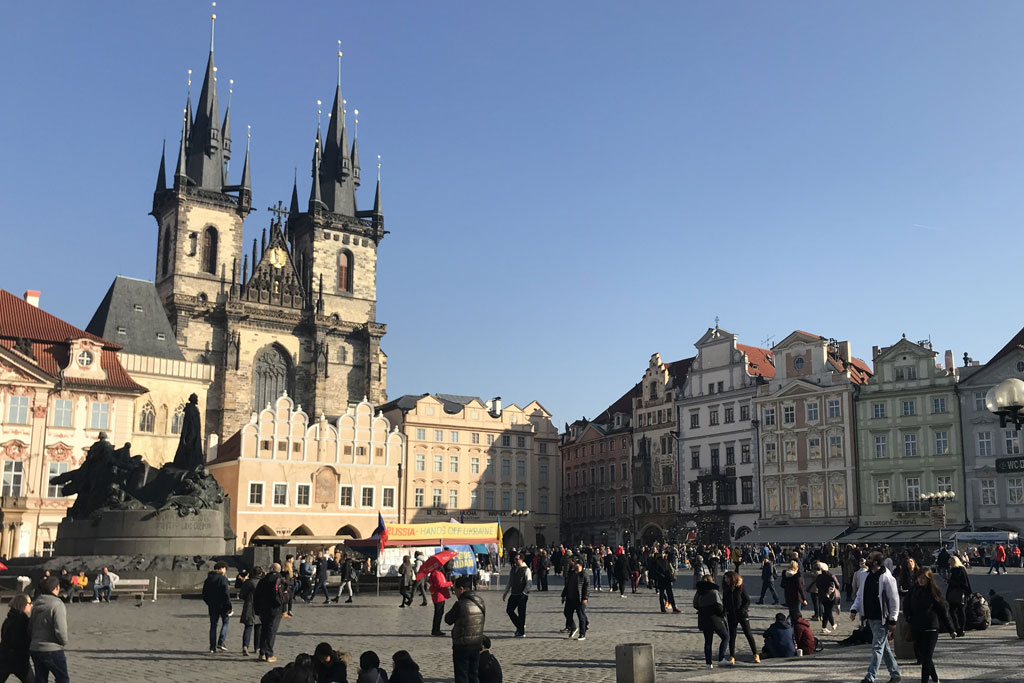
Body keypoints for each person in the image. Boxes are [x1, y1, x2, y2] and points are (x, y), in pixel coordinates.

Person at [849, 550, 901, 683]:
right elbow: (860, 594)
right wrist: (854, 608)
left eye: (870, 558)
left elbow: (893, 599)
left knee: (877, 647)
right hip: (870, 616)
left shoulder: (886, 577)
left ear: (876, 562)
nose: (867, 559)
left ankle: (870, 676)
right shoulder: (865, 575)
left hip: (881, 617)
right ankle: (895, 674)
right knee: (884, 647)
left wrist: (893, 619)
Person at [908, 568, 954, 683]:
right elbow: (907, 605)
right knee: (924, 657)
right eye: (919, 577)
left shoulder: (933, 592)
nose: (920, 580)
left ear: (929, 579)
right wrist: (909, 617)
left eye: (923, 578)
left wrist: (951, 629)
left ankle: (924, 681)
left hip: (931, 627)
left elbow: (943, 612)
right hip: (917, 627)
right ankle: (935, 678)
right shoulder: (914, 590)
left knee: (927, 658)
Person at [444, 576, 486, 683]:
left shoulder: (460, 604)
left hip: (462, 645)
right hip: (476, 643)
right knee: (473, 674)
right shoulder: (480, 601)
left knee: (461, 675)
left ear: (461, 589)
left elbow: (448, 619)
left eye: (455, 590)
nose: (455, 593)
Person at [28, 576, 68, 683]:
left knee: (40, 678)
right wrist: (63, 642)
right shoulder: (57, 604)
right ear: (56, 588)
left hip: (35, 647)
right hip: (52, 648)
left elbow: (30, 626)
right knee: (62, 678)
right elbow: (60, 628)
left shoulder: (36, 604)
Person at [693, 573, 729, 669]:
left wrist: (702, 608)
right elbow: (719, 606)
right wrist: (722, 613)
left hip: (703, 618)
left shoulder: (699, 592)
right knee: (725, 637)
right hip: (715, 618)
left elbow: (695, 604)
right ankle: (721, 658)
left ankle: (708, 663)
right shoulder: (713, 592)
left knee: (708, 641)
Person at [722, 571, 758, 664]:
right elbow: (725, 601)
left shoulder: (740, 587)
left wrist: (743, 609)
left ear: (732, 578)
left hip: (742, 614)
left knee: (748, 634)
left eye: (727, 578)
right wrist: (725, 610)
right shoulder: (726, 588)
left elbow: (747, 600)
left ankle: (756, 654)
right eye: (725, 578)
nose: (725, 580)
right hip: (731, 615)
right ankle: (732, 656)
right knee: (732, 636)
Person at [255, 562, 286, 663]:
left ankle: (262, 653)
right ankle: (269, 654)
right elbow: (285, 597)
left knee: (264, 630)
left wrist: (257, 610)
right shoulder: (281, 580)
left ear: (271, 569)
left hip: (263, 609)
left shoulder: (263, 581)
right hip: (276, 609)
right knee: (271, 631)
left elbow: (256, 596)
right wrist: (284, 610)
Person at [0, 593, 33, 683]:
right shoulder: (24, 621)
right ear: (24, 605)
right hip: (19, 658)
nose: (31, 605)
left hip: (4, 656)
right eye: (30, 603)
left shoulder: (8, 619)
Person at [202, 560, 232, 653]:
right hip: (223, 605)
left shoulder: (208, 579)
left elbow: (204, 594)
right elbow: (225, 594)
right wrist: (229, 606)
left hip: (212, 606)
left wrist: (209, 602)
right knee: (225, 623)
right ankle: (221, 641)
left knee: (213, 626)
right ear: (222, 569)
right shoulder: (222, 579)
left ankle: (212, 647)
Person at [501, 554, 530, 637]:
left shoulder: (526, 569)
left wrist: (524, 593)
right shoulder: (513, 569)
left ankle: (521, 632)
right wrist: (505, 593)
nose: (515, 561)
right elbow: (510, 581)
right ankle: (520, 626)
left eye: (517, 559)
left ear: (521, 560)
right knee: (509, 610)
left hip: (522, 594)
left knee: (521, 613)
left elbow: (529, 583)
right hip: (513, 593)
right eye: (515, 559)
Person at [561, 557, 589, 641]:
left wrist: (585, 598)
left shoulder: (584, 575)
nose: (573, 565)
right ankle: (573, 627)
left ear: (579, 564)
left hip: (579, 599)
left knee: (581, 616)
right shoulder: (571, 573)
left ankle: (582, 634)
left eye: (575, 563)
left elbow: (587, 588)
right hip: (570, 598)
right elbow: (567, 585)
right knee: (566, 613)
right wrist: (563, 595)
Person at [238, 567, 263, 656]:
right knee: (259, 628)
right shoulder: (263, 582)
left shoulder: (248, 582)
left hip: (249, 605)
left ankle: (245, 646)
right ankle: (257, 647)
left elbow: (241, 595)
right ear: (260, 574)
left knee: (248, 627)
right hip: (260, 606)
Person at [945, 556, 971, 638]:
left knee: (959, 611)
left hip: (959, 593)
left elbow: (963, 583)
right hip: (956, 594)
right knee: (956, 611)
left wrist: (950, 581)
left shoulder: (960, 570)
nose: (950, 565)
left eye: (950, 563)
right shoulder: (957, 570)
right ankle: (959, 628)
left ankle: (960, 629)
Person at [815, 561, 841, 635]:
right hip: (830, 595)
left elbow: (817, 585)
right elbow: (838, 585)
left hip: (821, 595)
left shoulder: (819, 577)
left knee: (827, 610)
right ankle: (824, 627)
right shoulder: (831, 575)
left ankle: (833, 625)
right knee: (827, 611)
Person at [428, 565, 453, 637]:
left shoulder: (436, 573)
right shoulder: (436, 574)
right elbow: (440, 584)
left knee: (439, 612)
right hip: (439, 595)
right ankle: (436, 629)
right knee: (438, 613)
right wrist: (450, 583)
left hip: (440, 595)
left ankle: (436, 629)